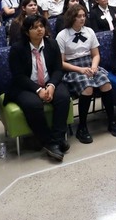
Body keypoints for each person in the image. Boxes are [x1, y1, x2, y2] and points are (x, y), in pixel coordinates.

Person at [7, 14, 71, 161]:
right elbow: (18, 76)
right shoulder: (17, 49)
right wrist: (38, 90)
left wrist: (52, 86)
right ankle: (50, 141)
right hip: (26, 86)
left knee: (63, 97)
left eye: (41, 26)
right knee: (33, 104)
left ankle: (56, 138)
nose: (39, 30)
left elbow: (58, 69)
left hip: (49, 82)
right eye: (34, 28)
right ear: (26, 32)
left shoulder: (52, 44)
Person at [55, 5, 116, 143]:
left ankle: (112, 121)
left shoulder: (89, 31)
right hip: (73, 67)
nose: (82, 18)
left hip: (90, 64)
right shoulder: (62, 35)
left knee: (106, 84)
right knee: (88, 88)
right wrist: (80, 70)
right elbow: (61, 63)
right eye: (79, 16)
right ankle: (82, 127)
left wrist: (94, 66)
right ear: (71, 18)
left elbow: (96, 54)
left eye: (84, 16)